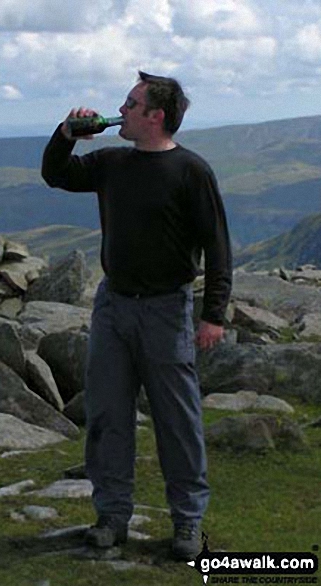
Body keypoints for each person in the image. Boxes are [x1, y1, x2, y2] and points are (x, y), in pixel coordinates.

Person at [41, 71, 232, 561]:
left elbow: (217, 246)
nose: (120, 111)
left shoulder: (191, 171)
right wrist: (67, 134)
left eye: (130, 104)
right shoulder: (111, 163)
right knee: (107, 413)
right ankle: (111, 516)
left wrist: (213, 315)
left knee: (177, 419)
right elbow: (55, 175)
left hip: (167, 310)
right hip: (113, 306)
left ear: (156, 116)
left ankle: (187, 521)